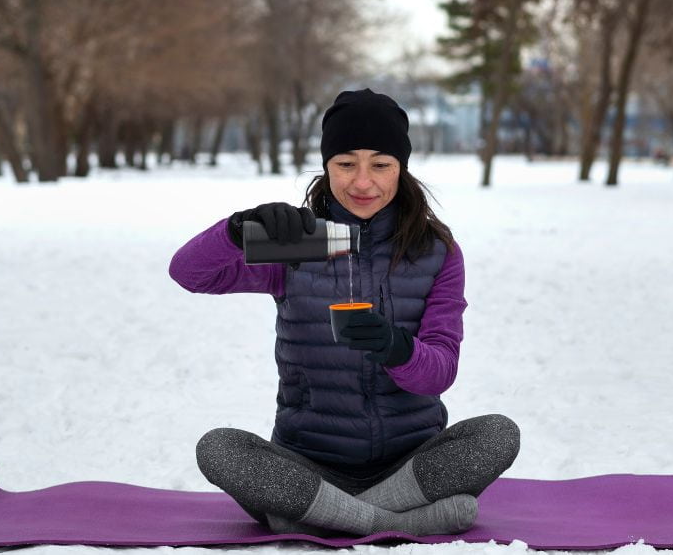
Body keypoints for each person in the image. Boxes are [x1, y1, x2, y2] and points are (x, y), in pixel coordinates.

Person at [168, 89, 520, 537]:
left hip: (409, 465)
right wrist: (237, 230)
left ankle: (319, 520)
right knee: (219, 449)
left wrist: (396, 349)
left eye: (380, 164)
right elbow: (188, 273)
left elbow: (440, 373)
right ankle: (392, 522)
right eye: (346, 163)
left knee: (497, 435)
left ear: (402, 168)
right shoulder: (295, 242)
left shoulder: (435, 252)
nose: (363, 182)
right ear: (327, 165)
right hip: (309, 465)